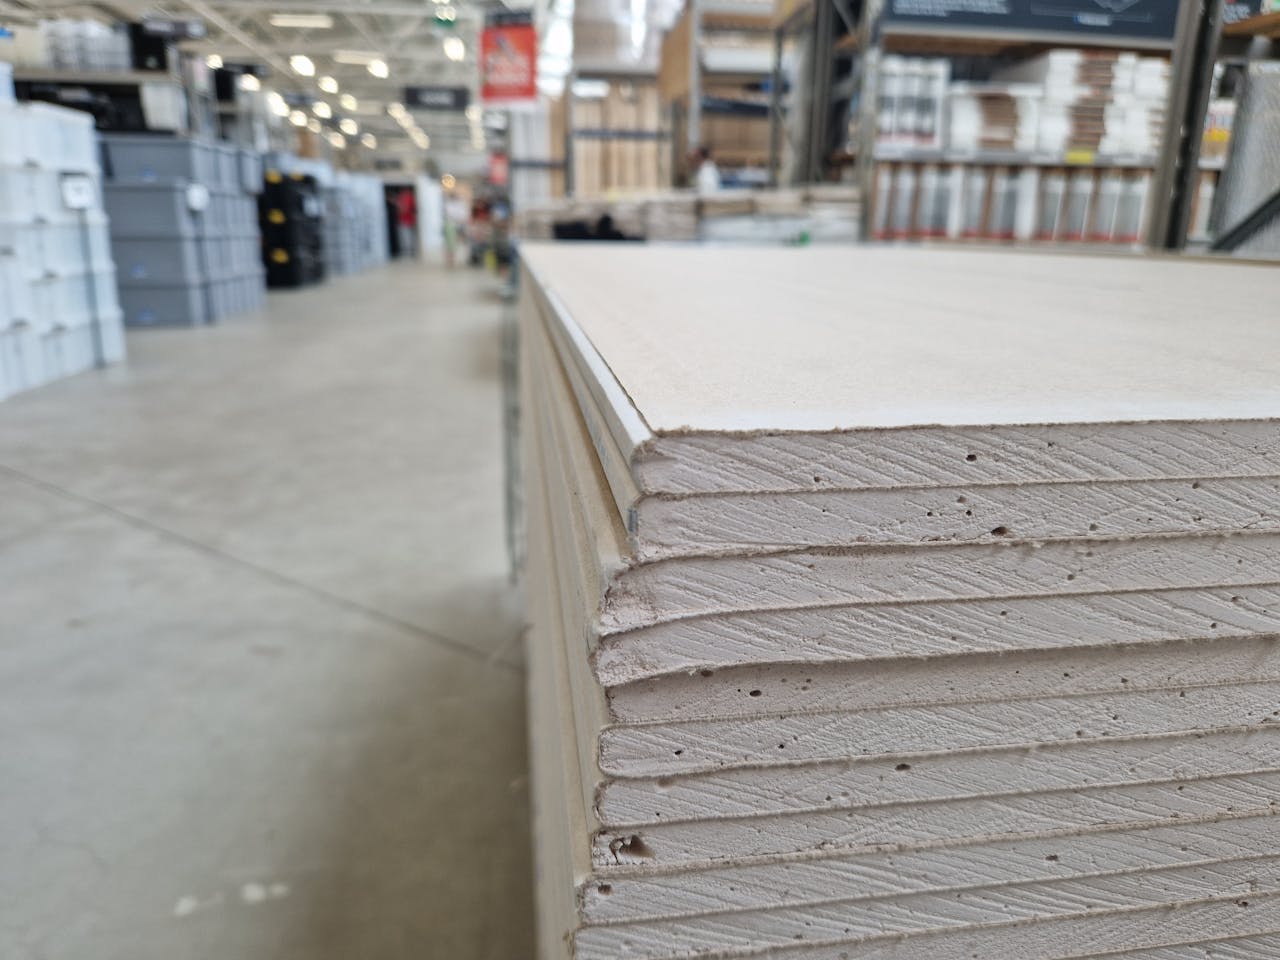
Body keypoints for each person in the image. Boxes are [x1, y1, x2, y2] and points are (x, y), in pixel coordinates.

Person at [396, 188, 417, 258]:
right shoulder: (405, 197)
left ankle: (409, 251)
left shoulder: (407, 197)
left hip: (406, 220)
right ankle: (408, 251)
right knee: (406, 237)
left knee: (407, 237)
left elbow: (405, 209)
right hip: (406, 220)